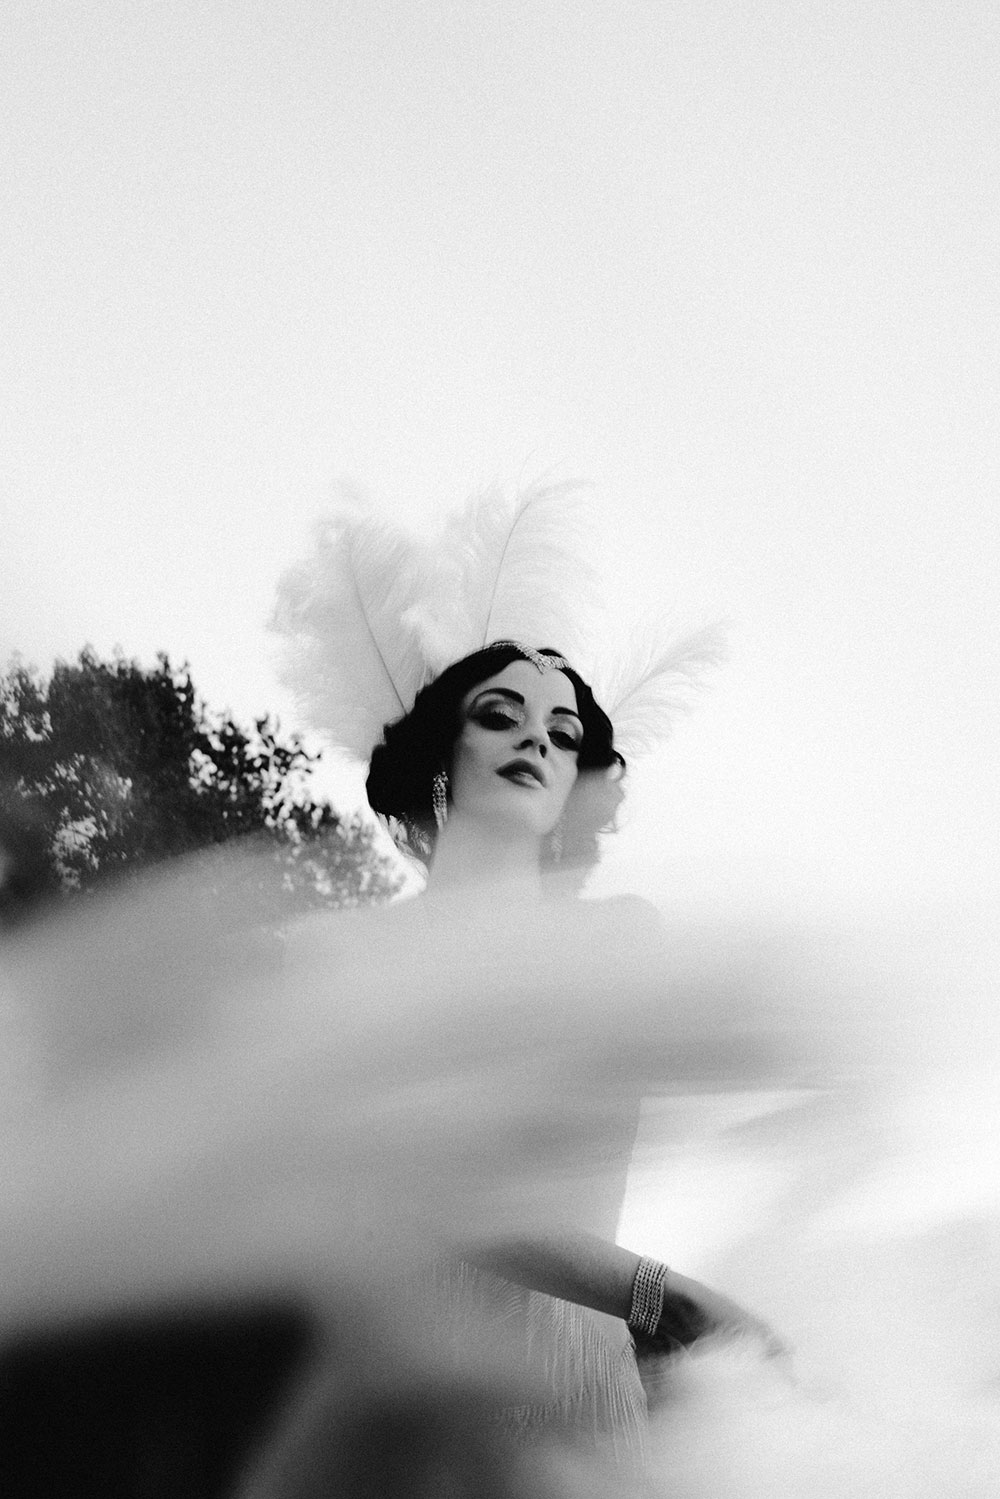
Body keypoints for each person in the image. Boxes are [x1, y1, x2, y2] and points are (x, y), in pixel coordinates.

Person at [244, 638, 779, 1495]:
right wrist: (660, 1297)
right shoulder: (329, 954)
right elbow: (400, 1183)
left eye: (564, 735)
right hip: (385, 1386)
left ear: (576, 783)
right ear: (441, 761)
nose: (537, 741)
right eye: (500, 716)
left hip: (568, 1390)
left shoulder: (617, 943)